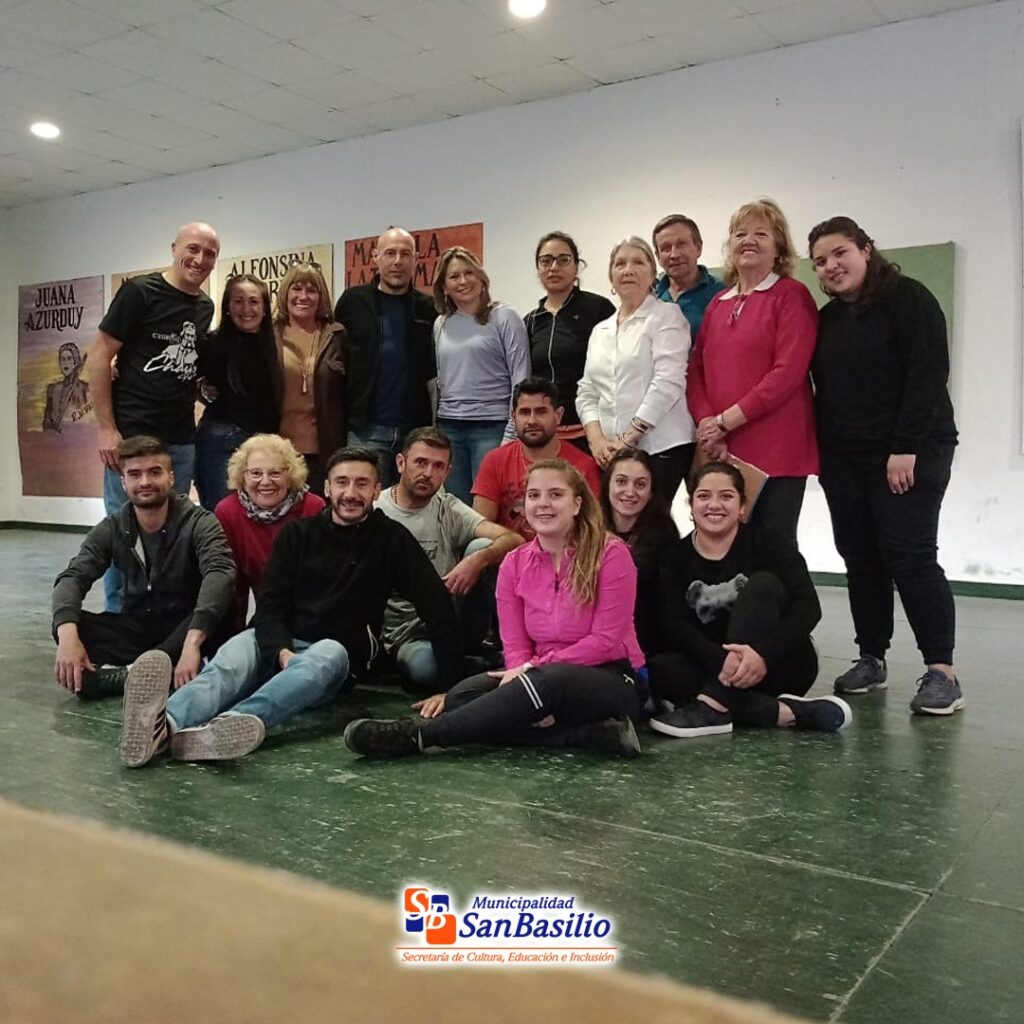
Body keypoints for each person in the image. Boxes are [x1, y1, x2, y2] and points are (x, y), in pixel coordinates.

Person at [117, 447, 463, 768]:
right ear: (327, 488)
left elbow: (436, 604)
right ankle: (164, 724)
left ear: (376, 491)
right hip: (278, 642)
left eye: (362, 484)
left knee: (326, 654)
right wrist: (281, 653)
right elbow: (271, 605)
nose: (350, 493)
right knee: (231, 660)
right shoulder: (298, 534)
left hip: (335, 656)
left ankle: (229, 726)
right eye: (342, 482)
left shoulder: (392, 539)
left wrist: (449, 687)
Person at [343, 459, 644, 759]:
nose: (543, 503)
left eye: (555, 494)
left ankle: (419, 736)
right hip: (537, 673)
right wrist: (523, 672)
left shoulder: (611, 554)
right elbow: (515, 645)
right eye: (534, 495)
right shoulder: (514, 563)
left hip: (610, 676)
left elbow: (606, 641)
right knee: (462, 697)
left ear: (577, 504)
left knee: (547, 682)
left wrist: (531, 670)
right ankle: (590, 734)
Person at [808, 216, 962, 716]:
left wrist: (904, 447)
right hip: (845, 457)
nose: (831, 266)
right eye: (820, 261)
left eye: (840, 253)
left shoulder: (910, 299)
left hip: (910, 450)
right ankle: (871, 657)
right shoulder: (828, 320)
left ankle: (942, 672)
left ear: (867, 249)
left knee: (910, 555)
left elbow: (928, 375)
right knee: (860, 556)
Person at [647, 462, 851, 739]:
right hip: (714, 665)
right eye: (704, 496)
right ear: (691, 505)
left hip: (776, 664)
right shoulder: (674, 556)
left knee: (763, 584)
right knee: (660, 670)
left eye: (726, 496)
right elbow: (674, 623)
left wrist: (762, 654)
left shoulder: (771, 544)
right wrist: (722, 660)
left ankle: (713, 705)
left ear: (743, 506)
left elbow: (808, 608)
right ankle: (785, 713)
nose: (714, 505)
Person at [90, 221, 220, 611]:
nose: (200, 259)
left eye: (210, 253)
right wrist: (106, 429)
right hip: (131, 436)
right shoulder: (139, 292)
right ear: (174, 248)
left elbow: (186, 369)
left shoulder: (204, 306)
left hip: (180, 438)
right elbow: (99, 355)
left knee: (173, 534)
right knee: (123, 532)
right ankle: (119, 619)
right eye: (193, 248)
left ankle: (163, 620)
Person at [51, 435, 235, 701]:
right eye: (135, 474)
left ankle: (132, 673)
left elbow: (220, 573)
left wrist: (193, 642)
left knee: (220, 606)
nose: (145, 482)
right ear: (123, 482)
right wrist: (68, 636)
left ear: (171, 478)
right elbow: (73, 577)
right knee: (67, 623)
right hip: (139, 627)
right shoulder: (113, 527)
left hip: (189, 628)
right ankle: (155, 670)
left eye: (155, 472)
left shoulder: (200, 523)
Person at [686, 198, 818, 541]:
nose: (748, 240)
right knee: (723, 546)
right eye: (740, 233)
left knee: (773, 549)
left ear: (779, 247)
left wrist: (723, 422)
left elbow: (787, 373)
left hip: (776, 449)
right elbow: (696, 370)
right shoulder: (717, 304)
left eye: (761, 233)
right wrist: (708, 425)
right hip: (720, 447)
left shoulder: (791, 296)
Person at [376, 427, 523, 692]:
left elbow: (514, 540)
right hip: (405, 634)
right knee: (425, 668)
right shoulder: (377, 509)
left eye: (438, 466)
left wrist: (477, 561)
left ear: (447, 473)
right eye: (421, 462)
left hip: (451, 620)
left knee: (483, 546)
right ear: (400, 463)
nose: (428, 473)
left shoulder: (448, 507)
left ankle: (494, 651)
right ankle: (487, 667)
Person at [576, 236, 695, 507]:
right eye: (620, 264)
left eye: (638, 262)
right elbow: (587, 390)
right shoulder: (600, 330)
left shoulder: (667, 316)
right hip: (610, 453)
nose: (628, 270)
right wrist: (597, 442)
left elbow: (667, 382)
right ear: (611, 276)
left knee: (649, 524)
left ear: (653, 275)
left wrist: (628, 439)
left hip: (660, 447)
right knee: (614, 525)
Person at [334, 227, 437, 486]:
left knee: (412, 502)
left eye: (405, 254)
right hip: (365, 429)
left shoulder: (428, 308)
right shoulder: (352, 302)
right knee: (363, 499)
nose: (398, 261)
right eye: (390, 253)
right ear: (375, 257)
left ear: (415, 259)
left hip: (414, 433)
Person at [432, 246, 530, 503]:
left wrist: (512, 432)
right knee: (457, 508)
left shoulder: (504, 317)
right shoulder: (441, 324)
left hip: (492, 427)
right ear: (444, 286)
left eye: (469, 273)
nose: (463, 281)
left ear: (481, 277)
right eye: (454, 276)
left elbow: (521, 378)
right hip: (450, 427)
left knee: (490, 505)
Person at [214, 433, 325, 634]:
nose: (265, 482)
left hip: (311, 616)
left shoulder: (314, 507)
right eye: (256, 473)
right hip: (266, 618)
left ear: (290, 475)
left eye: (275, 473)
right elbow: (233, 588)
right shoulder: (227, 511)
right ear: (242, 476)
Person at [472, 377, 601, 539]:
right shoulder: (495, 460)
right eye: (525, 412)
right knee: (478, 546)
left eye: (541, 412)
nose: (532, 421)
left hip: (566, 549)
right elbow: (480, 524)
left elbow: (591, 528)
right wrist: (515, 544)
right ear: (513, 416)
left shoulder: (583, 466)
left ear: (558, 415)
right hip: (510, 549)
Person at [194, 274, 281, 509]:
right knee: (221, 514)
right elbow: (186, 377)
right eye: (238, 301)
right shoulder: (212, 343)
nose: (246, 309)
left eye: (253, 301)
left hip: (267, 441)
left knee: (264, 515)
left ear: (265, 307)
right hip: (222, 440)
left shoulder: (277, 345)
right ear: (227, 306)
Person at [523, 231, 614, 453]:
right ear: (538, 268)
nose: (554, 267)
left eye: (563, 260)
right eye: (546, 261)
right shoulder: (531, 321)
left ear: (576, 267)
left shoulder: (599, 309)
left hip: (591, 429)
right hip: (545, 432)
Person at [274, 261, 346, 494]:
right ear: (285, 293)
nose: (303, 296)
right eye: (296, 288)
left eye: (311, 290)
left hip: (325, 453)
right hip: (278, 453)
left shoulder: (336, 336)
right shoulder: (269, 335)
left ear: (321, 296)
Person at [599, 448, 678, 657]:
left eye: (640, 484)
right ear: (607, 485)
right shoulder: (588, 529)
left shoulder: (664, 535)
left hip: (643, 643)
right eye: (621, 482)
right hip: (593, 637)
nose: (630, 491)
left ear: (651, 492)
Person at [652, 214, 725, 336]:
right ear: (658, 256)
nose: (674, 255)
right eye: (666, 248)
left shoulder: (723, 295)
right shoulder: (651, 299)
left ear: (698, 248)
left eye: (681, 244)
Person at [43, 342, 90, 432]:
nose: (65, 363)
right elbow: (46, 423)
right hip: (55, 438)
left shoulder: (85, 388)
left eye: (69, 358)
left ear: (75, 361)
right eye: (62, 359)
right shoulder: (52, 389)